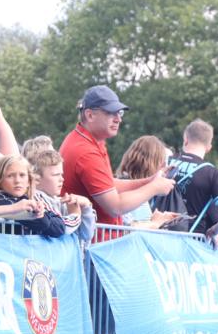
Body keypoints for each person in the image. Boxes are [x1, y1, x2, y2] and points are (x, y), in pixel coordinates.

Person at [59, 85, 174, 227]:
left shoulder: (89, 140)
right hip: (93, 243)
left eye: (119, 113)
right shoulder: (86, 151)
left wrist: (149, 181)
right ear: (90, 115)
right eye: (111, 113)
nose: (118, 119)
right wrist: (154, 188)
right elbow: (116, 207)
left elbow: (108, 184)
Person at [161, 118, 218, 235]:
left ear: (185, 139)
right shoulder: (212, 173)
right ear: (209, 147)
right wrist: (215, 231)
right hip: (191, 240)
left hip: (157, 236)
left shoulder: (165, 162)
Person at [0, 155, 66, 237]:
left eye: (22, 175)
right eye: (10, 176)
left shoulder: (28, 200)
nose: (17, 181)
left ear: (29, 181)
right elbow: (42, 223)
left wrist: (42, 214)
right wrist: (41, 215)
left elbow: (60, 228)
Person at [116, 135, 182, 230]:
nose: (164, 166)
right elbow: (128, 228)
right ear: (150, 163)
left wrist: (156, 219)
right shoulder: (130, 190)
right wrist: (157, 222)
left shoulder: (126, 185)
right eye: (162, 162)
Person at [31, 148, 96, 242]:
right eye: (55, 175)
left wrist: (86, 206)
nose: (62, 179)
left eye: (61, 174)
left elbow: (86, 235)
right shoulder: (36, 198)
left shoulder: (61, 202)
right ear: (37, 179)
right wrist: (75, 215)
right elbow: (59, 227)